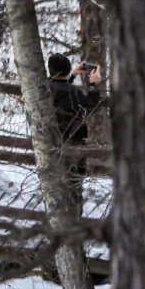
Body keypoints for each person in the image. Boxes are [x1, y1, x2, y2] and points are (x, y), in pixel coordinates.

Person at [47, 53, 104, 204]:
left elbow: (59, 89)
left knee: (55, 189)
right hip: (73, 148)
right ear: (65, 71)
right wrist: (94, 84)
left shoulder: (43, 90)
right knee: (73, 189)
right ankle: (73, 221)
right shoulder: (73, 94)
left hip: (50, 146)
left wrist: (71, 76)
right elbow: (92, 106)